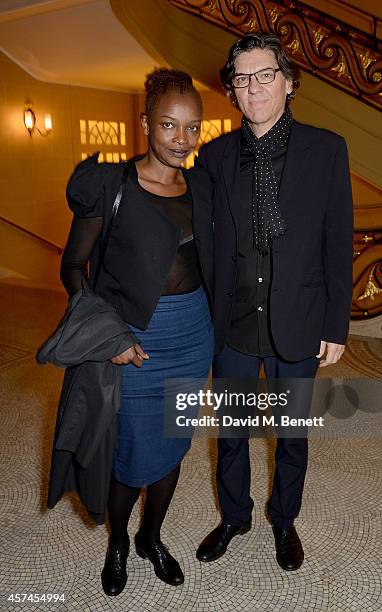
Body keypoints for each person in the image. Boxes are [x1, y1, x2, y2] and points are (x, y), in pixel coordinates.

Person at [195, 32, 353, 571]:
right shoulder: (214, 157)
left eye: (265, 75)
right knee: (233, 431)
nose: (253, 86)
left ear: (289, 83)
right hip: (233, 320)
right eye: (242, 78)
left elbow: (338, 241)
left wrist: (337, 323)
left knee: (291, 436)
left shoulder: (328, 149)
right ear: (233, 92)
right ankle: (234, 516)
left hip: (300, 318)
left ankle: (284, 521)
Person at [60, 68, 214, 596]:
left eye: (192, 128)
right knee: (130, 456)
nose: (181, 139)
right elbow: (74, 269)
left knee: (173, 446)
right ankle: (120, 542)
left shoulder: (203, 187)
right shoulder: (112, 185)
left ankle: (152, 537)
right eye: (169, 125)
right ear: (146, 122)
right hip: (135, 343)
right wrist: (110, 338)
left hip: (193, 338)